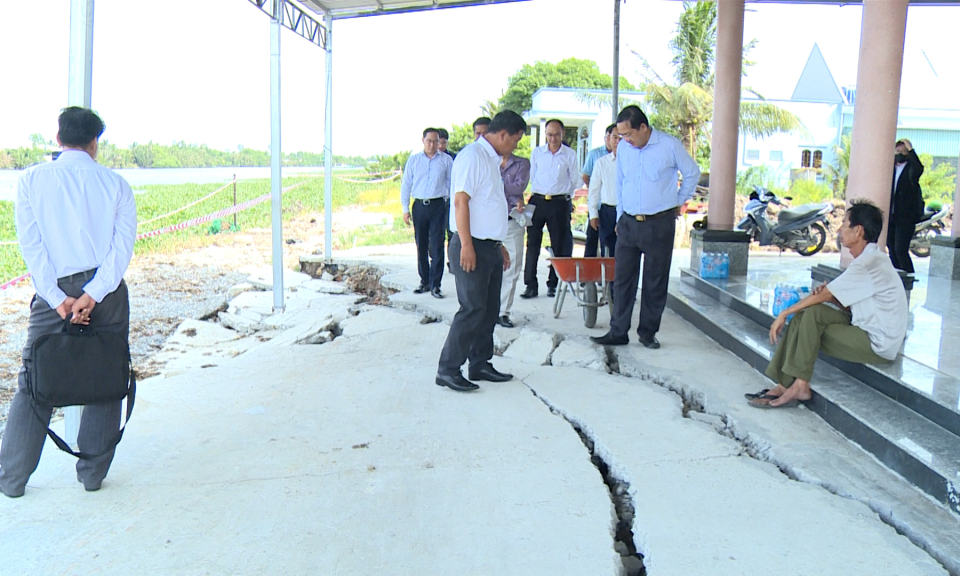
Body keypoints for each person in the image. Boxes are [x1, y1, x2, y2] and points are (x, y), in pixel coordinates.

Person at [0, 107, 137, 497]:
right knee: (105, 378)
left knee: (36, 381)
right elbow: (120, 251)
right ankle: (92, 476)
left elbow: (32, 246)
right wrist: (93, 293)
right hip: (105, 293)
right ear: (95, 143)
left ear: (58, 140)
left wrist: (57, 298)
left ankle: (11, 480)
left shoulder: (30, 180)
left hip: (52, 291)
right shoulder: (116, 185)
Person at [747, 201, 908, 408]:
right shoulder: (872, 259)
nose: (839, 229)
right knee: (808, 314)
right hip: (864, 326)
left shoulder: (867, 264)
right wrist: (831, 297)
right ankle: (783, 384)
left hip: (877, 342)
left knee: (809, 320)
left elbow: (823, 295)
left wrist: (783, 313)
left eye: (844, 224)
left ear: (858, 231)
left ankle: (800, 384)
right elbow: (845, 303)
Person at [591, 106, 700, 349]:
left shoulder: (669, 146)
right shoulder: (625, 150)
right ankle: (618, 330)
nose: (624, 140)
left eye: (628, 134)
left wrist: (678, 201)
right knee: (622, 279)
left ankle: (648, 332)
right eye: (620, 136)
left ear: (643, 127)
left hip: (659, 223)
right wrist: (620, 216)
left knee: (654, 280)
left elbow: (692, 173)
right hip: (628, 223)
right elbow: (621, 182)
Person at [436, 111, 526, 393]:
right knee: (472, 308)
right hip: (470, 244)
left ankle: (480, 363)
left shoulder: (490, 159)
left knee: (489, 310)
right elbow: (461, 202)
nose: (515, 147)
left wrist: (498, 246)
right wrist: (466, 245)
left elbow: (488, 205)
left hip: (488, 247)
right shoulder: (473, 156)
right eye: (515, 140)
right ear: (502, 135)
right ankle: (448, 369)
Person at [521, 119, 579, 299]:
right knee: (532, 244)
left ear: (563, 134)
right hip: (537, 201)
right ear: (545, 134)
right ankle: (530, 285)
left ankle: (553, 284)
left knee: (559, 244)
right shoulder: (537, 153)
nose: (553, 138)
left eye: (556, 134)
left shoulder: (570, 154)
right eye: (549, 134)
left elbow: (575, 180)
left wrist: (564, 196)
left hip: (559, 203)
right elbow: (532, 176)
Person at [401, 128, 453, 298]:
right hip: (419, 207)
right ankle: (424, 280)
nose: (432, 144)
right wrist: (405, 209)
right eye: (429, 141)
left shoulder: (446, 161)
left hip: (438, 205)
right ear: (423, 140)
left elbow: (452, 183)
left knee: (437, 244)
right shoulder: (414, 160)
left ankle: (436, 284)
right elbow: (406, 184)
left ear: (440, 142)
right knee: (421, 243)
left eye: (435, 141)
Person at [498, 151, 531, 328]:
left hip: (513, 220)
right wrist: (512, 195)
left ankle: (503, 312)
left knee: (513, 266)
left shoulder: (522, 163)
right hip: (490, 222)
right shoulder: (486, 161)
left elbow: (519, 187)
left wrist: (498, 186)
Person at [888, 138, 924, 274]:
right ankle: (898, 275)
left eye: (902, 152)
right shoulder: (890, 168)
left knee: (900, 249)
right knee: (891, 248)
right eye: (897, 151)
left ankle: (908, 276)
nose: (899, 154)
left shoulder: (911, 169)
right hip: (891, 215)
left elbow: (918, 169)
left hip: (905, 217)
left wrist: (910, 148)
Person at [582, 124, 618, 257]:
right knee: (606, 249)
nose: (618, 141)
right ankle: (606, 278)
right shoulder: (601, 162)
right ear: (608, 138)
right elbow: (594, 190)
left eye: (622, 137)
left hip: (627, 212)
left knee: (626, 252)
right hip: (607, 211)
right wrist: (593, 214)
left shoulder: (634, 162)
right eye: (615, 137)